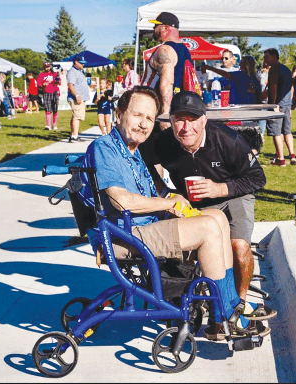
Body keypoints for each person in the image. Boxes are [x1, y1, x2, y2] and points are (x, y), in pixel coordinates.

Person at [79, 86, 272, 341]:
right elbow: (121, 200)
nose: (143, 124)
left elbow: (152, 194)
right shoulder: (105, 147)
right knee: (208, 229)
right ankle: (224, 315)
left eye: (149, 118)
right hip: (121, 235)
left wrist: (173, 199)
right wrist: (168, 205)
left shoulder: (134, 152)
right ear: (119, 114)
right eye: (138, 115)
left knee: (216, 218)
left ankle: (230, 305)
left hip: (139, 229)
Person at [141, 91, 276, 324]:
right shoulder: (163, 143)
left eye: (192, 120)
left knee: (238, 246)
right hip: (192, 201)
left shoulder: (227, 139)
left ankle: (239, 304)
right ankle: (201, 298)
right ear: (170, 121)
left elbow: (257, 178)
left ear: (204, 120)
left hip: (233, 193)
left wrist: (220, 189)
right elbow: (143, 161)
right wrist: (164, 191)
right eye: (179, 120)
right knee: (190, 248)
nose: (186, 127)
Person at [141, 12, 194, 130]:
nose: (153, 29)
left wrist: (165, 116)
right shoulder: (184, 50)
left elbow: (167, 82)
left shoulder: (164, 50)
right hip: (179, 109)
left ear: (165, 28)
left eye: (156, 26)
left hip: (155, 113)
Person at [263, 48, 296, 166]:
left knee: (276, 132)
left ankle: (281, 159)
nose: (265, 59)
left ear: (274, 56)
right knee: (287, 130)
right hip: (286, 104)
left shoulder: (274, 69)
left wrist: (273, 105)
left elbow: (273, 88)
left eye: (267, 56)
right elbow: (290, 87)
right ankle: (292, 155)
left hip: (277, 105)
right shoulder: (286, 69)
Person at [67, 55, 90, 142]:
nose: (83, 65)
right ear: (76, 62)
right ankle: (75, 136)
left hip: (80, 97)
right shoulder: (72, 72)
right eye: (81, 63)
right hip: (76, 98)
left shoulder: (79, 71)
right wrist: (76, 95)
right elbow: (70, 85)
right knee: (77, 116)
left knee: (75, 116)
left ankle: (73, 134)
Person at [36, 61, 61, 131]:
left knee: (55, 109)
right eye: (46, 67)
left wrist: (57, 80)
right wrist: (43, 84)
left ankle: (55, 125)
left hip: (54, 92)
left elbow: (59, 82)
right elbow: (38, 84)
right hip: (46, 93)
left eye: (48, 67)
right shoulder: (41, 75)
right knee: (48, 109)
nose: (47, 68)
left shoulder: (54, 74)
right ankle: (48, 125)